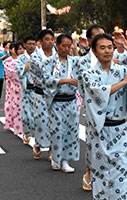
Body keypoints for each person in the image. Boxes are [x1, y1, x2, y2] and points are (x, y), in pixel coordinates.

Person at [82, 33, 127, 200]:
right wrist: (124, 83)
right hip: (100, 129)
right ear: (94, 52)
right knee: (101, 173)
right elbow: (99, 92)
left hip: (120, 129)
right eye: (102, 48)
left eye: (110, 47)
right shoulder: (88, 74)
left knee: (122, 173)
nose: (107, 51)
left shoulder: (122, 70)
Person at [43, 33, 80, 172]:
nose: (66, 48)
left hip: (71, 101)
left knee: (71, 131)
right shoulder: (49, 62)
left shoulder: (73, 61)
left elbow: (88, 63)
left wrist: (78, 49)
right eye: (63, 45)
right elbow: (47, 79)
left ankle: (65, 161)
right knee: (58, 130)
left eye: (68, 45)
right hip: (57, 102)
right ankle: (56, 158)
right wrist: (65, 80)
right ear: (56, 46)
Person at [76, 24, 105, 191]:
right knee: (93, 141)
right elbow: (82, 88)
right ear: (89, 41)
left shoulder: (113, 58)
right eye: (96, 37)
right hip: (93, 108)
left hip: (112, 109)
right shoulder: (83, 62)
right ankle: (89, 171)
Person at [29, 29, 55, 160]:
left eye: (52, 39)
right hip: (40, 94)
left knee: (54, 122)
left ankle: (52, 149)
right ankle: (38, 145)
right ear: (40, 42)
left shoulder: (56, 54)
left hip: (56, 95)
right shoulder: (35, 56)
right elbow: (44, 71)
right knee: (41, 122)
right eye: (47, 39)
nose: (50, 42)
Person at [15, 35, 37, 144]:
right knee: (26, 115)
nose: (32, 46)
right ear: (25, 45)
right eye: (29, 44)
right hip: (26, 89)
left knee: (37, 115)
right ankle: (27, 132)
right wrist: (29, 63)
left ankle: (37, 137)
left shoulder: (39, 56)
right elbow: (19, 71)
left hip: (37, 91)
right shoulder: (21, 58)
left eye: (33, 44)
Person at [3, 43, 25, 136]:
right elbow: (14, 75)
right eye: (19, 49)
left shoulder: (26, 60)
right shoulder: (8, 62)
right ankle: (17, 127)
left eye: (23, 48)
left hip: (25, 88)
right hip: (13, 88)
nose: (22, 50)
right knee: (14, 107)